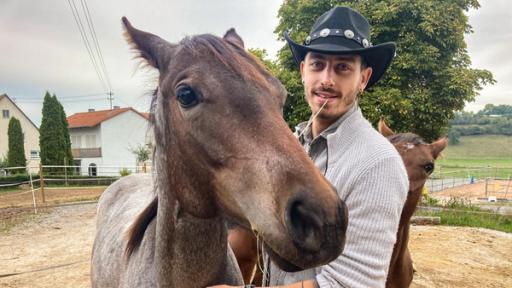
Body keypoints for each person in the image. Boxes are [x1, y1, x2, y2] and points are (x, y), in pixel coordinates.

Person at [214, 6, 408, 288]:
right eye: (318, 65)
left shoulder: (378, 163)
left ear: (363, 79)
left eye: (343, 68)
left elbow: (349, 285)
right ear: (304, 71)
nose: (327, 80)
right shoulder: (292, 145)